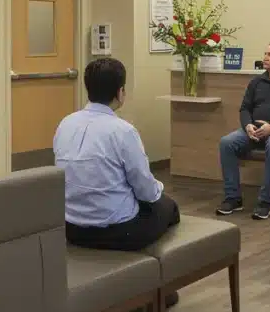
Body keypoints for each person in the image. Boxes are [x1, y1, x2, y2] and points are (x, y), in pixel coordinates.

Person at [56, 58, 179, 254]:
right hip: (117, 232)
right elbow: (146, 191)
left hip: (70, 227)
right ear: (120, 92)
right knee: (169, 207)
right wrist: (159, 189)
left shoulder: (65, 123)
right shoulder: (123, 131)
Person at [216, 42, 270, 220]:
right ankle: (233, 198)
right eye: (265, 53)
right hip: (254, 131)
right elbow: (244, 109)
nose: (265, 57)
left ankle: (265, 202)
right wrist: (247, 125)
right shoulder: (256, 82)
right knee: (226, 142)